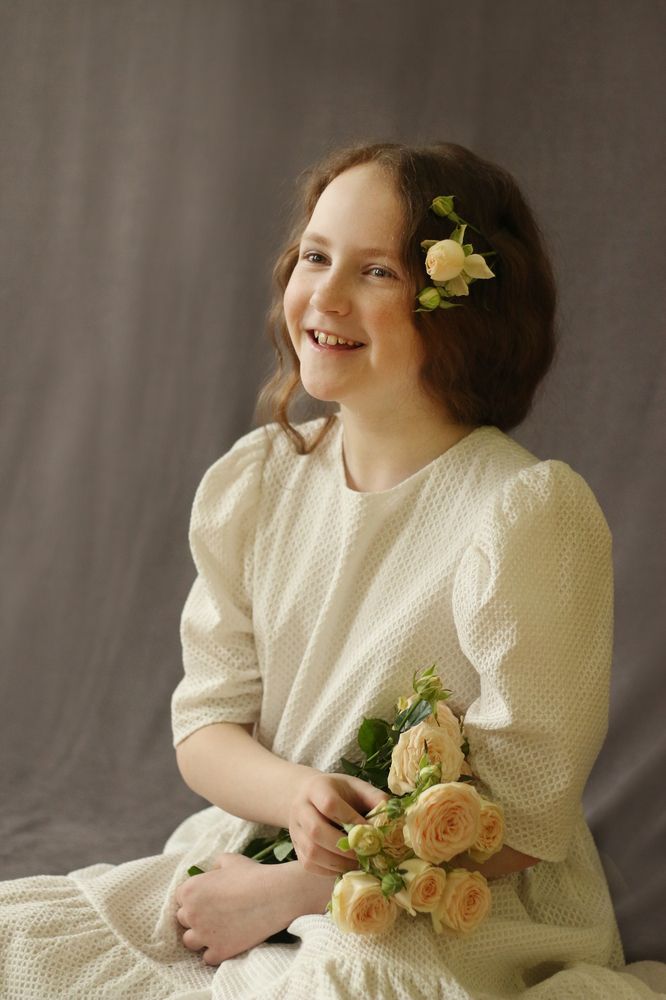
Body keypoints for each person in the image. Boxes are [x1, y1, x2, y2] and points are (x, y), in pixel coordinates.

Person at [1, 141, 663, 999]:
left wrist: (301, 891)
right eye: (315, 256)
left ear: (466, 312)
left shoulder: (522, 512)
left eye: (377, 271)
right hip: (260, 853)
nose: (326, 295)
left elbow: (527, 812)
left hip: (455, 906)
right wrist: (295, 797)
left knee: (337, 985)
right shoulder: (259, 482)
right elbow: (207, 727)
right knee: (20, 940)